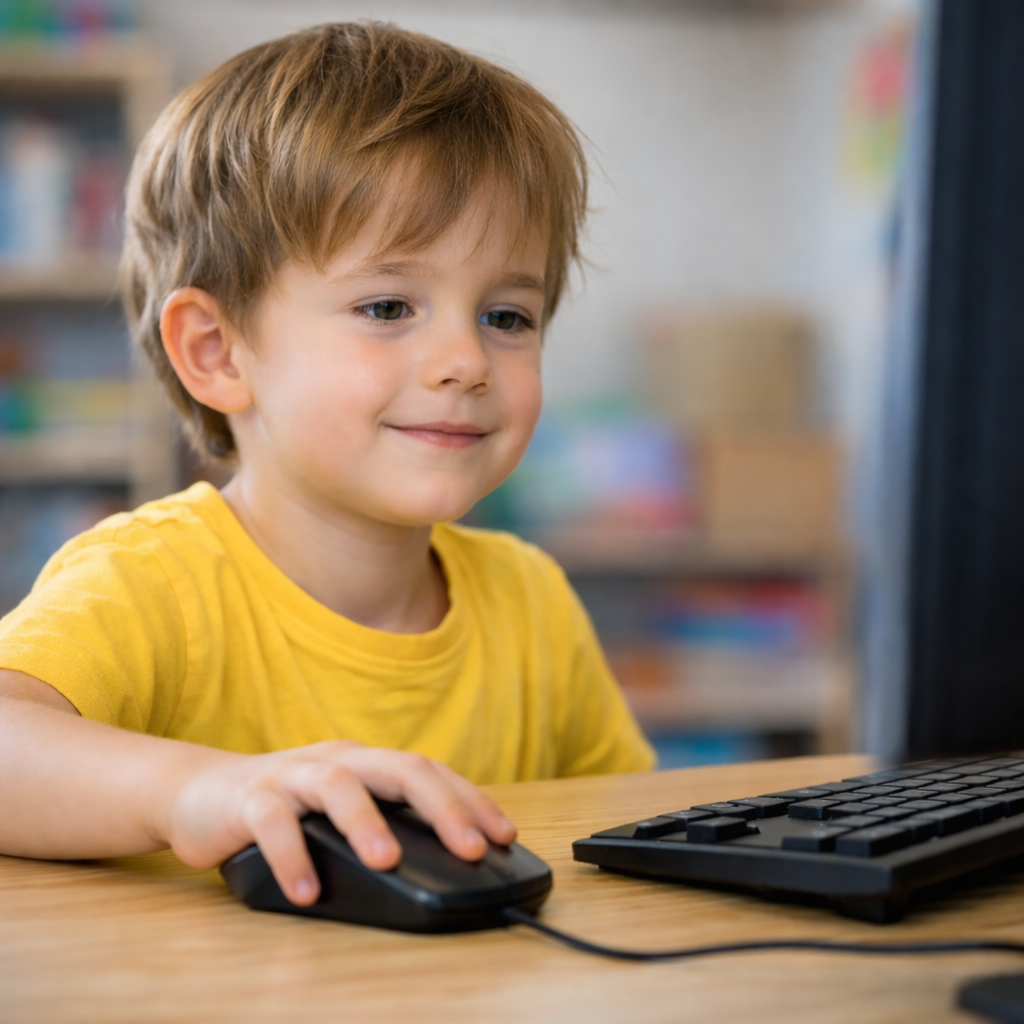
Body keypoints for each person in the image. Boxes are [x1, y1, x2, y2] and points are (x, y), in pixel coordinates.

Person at [0, 22, 654, 907]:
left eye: (507, 316)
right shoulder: (150, 581)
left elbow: (628, 830)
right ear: (219, 352)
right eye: (388, 305)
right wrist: (194, 789)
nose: (465, 360)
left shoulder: (532, 603)